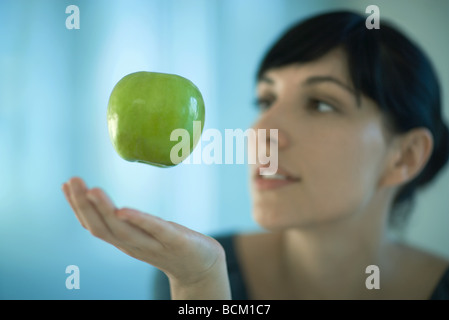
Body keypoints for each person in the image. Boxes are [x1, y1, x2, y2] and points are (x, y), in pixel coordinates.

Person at [62, 10, 449, 299]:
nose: (260, 130)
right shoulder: (193, 269)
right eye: (266, 100)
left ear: (405, 157)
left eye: (320, 103)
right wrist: (200, 286)